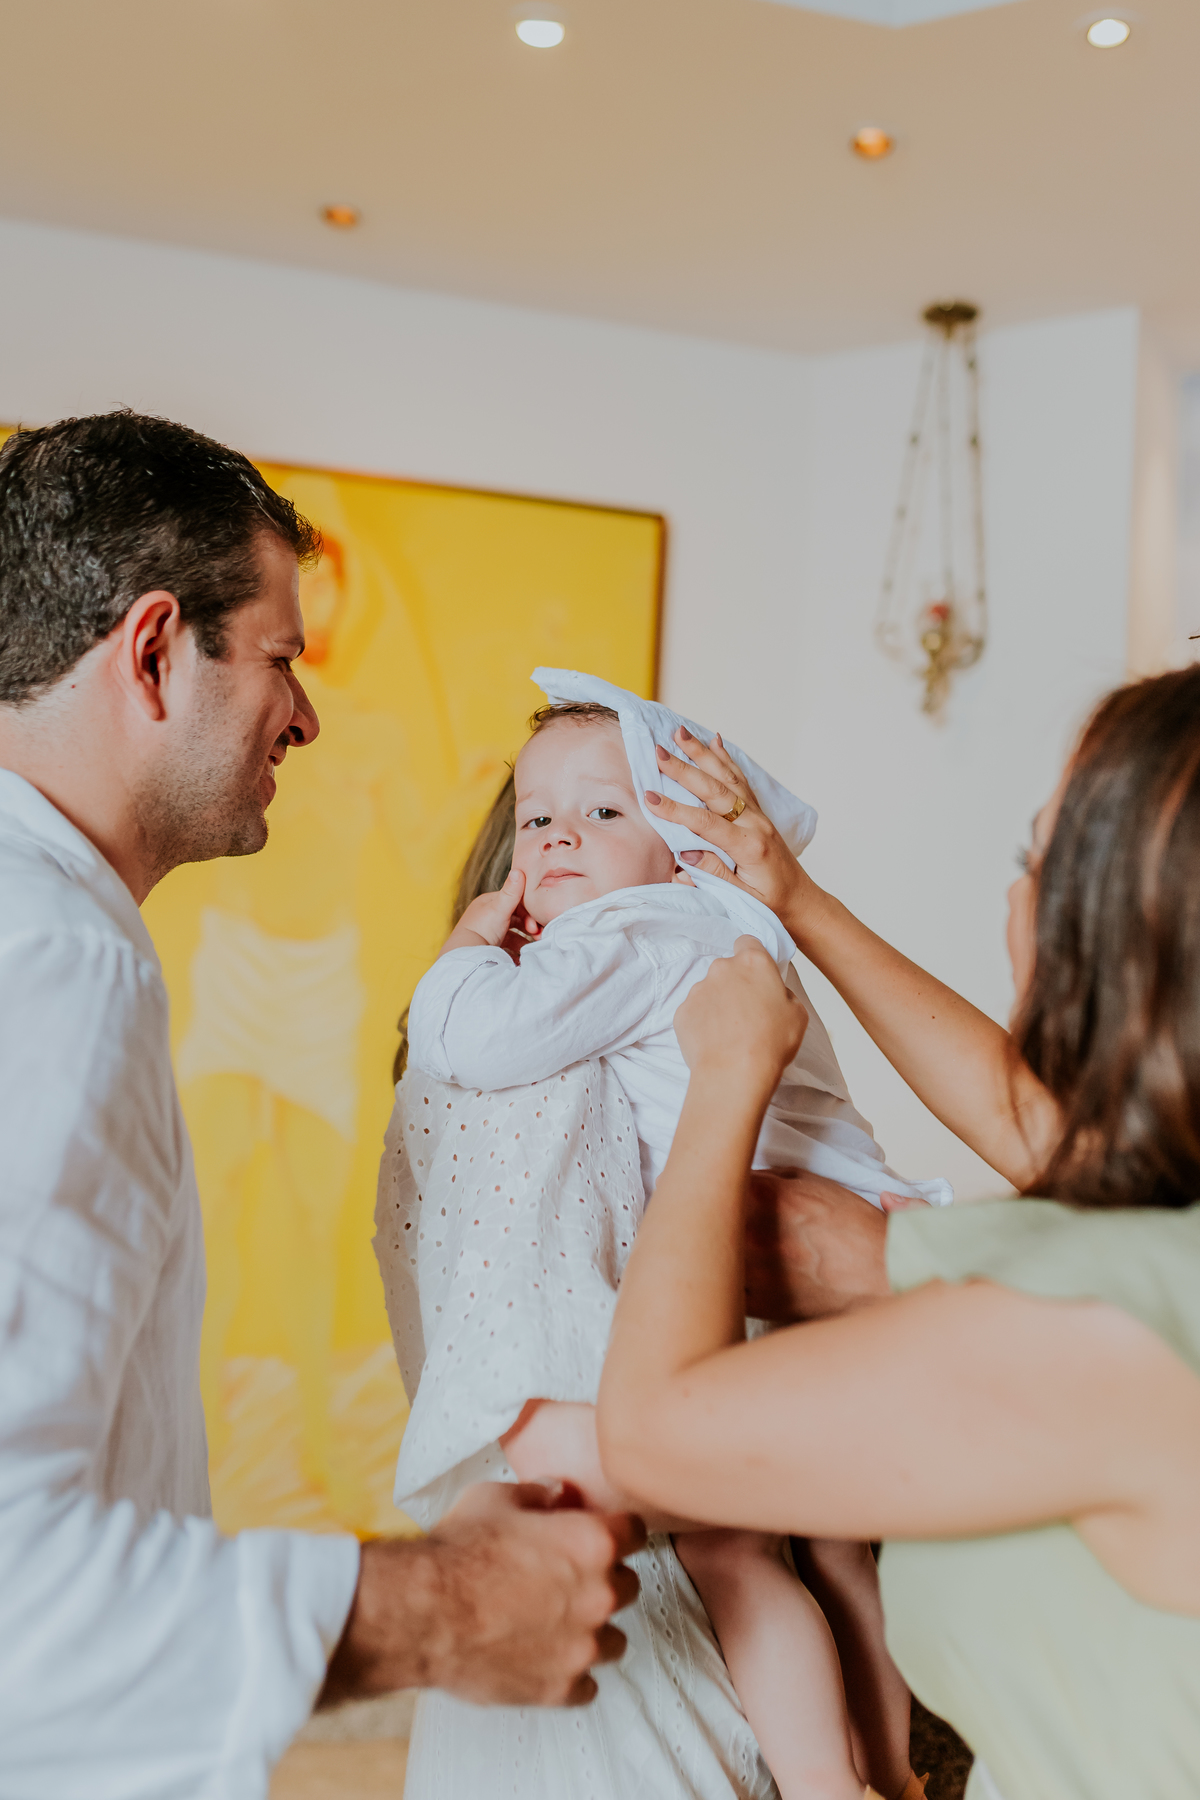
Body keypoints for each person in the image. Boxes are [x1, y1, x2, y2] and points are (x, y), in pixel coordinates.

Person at [0, 411, 642, 1800]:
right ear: (154, 651)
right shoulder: (47, 960)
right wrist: (448, 1607)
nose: (305, 714)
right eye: (281, 660)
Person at [595, 675, 1200, 1800]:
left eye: (1032, 862)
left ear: (1115, 932)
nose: (1014, 898)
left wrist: (728, 1079)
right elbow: (1030, 1124)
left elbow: (655, 1433)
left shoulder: (1122, 1321)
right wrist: (796, 899)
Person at [377, 670, 942, 1800]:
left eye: (602, 811)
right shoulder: (723, 935)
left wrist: (466, 948)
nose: (558, 839)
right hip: (838, 1247)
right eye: (538, 817)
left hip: (771, 1263)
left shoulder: (633, 935)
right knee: (833, 1541)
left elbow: (471, 1037)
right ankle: (884, 1773)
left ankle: (827, 1782)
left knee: (735, 1546)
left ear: (683, 849)